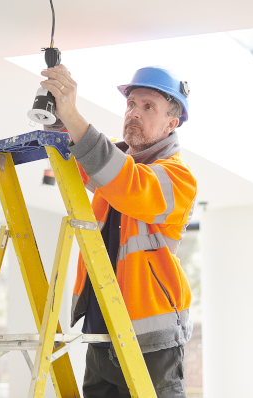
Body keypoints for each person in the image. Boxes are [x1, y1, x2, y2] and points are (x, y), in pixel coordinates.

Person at [39, 65, 196, 398]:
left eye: (148, 106)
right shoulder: (116, 165)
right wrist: (58, 116)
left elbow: (129, 184)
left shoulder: (177, 177)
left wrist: (74, 115)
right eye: (131, 105)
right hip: (101, 332)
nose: (133, 113)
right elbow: (82, 162)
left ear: (172, 123)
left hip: (149, 338)